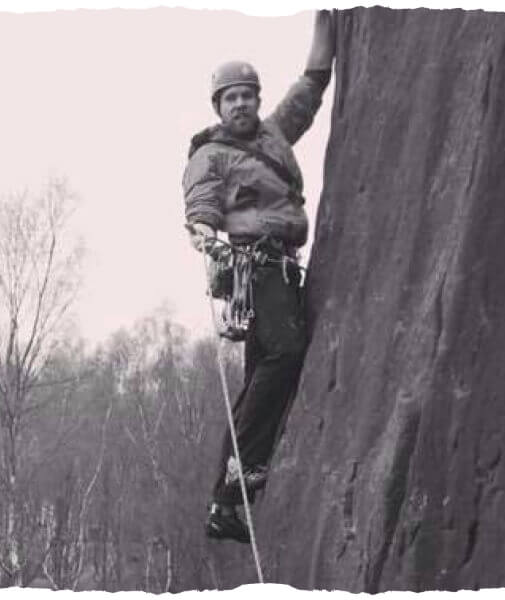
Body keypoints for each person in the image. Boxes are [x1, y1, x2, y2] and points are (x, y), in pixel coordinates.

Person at [182, 11, 336, 544]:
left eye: (247, 95)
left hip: (280, 266)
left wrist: (327, 23)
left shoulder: (272, 137)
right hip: (255, 265)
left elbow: (311, 87)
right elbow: (201, 202)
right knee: (285, 354)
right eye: (231, 98)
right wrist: (203, 231)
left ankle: (224, 503)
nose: (242, 104)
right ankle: (243, 474)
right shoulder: (212, 153)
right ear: (219, 108)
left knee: (260, 384)